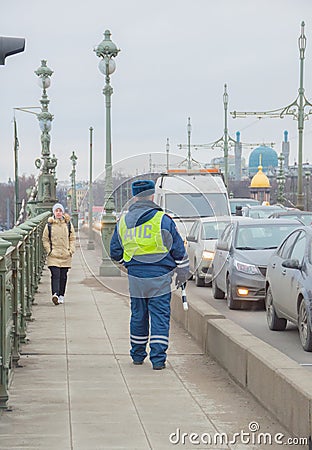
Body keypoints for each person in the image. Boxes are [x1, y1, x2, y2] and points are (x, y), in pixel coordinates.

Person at [110, 179, 190, 370]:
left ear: (135, 197)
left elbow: (114, 252)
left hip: (136, 276)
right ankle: (158, 359)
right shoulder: (162, 220)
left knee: (138, 314)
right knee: (159, 315)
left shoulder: (123, 222)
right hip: (160, 276)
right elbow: (178, 250)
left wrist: (128, 265)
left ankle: (137, 355)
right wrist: (182, 272)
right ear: (152, 195)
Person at [42, 203, 76, 305]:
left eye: (60, 211)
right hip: (54, 255)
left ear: (62, 212)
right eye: (56, 211)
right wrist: (49, 251)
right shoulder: (49, 225)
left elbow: (72, 238)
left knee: (63, 276)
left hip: (65, 254)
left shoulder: (68, 224)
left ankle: (61, 295)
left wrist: (71, 250)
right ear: (54, 212)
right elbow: (45, 239)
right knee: (55, 275)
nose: (58, 213)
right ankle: (55, 294)